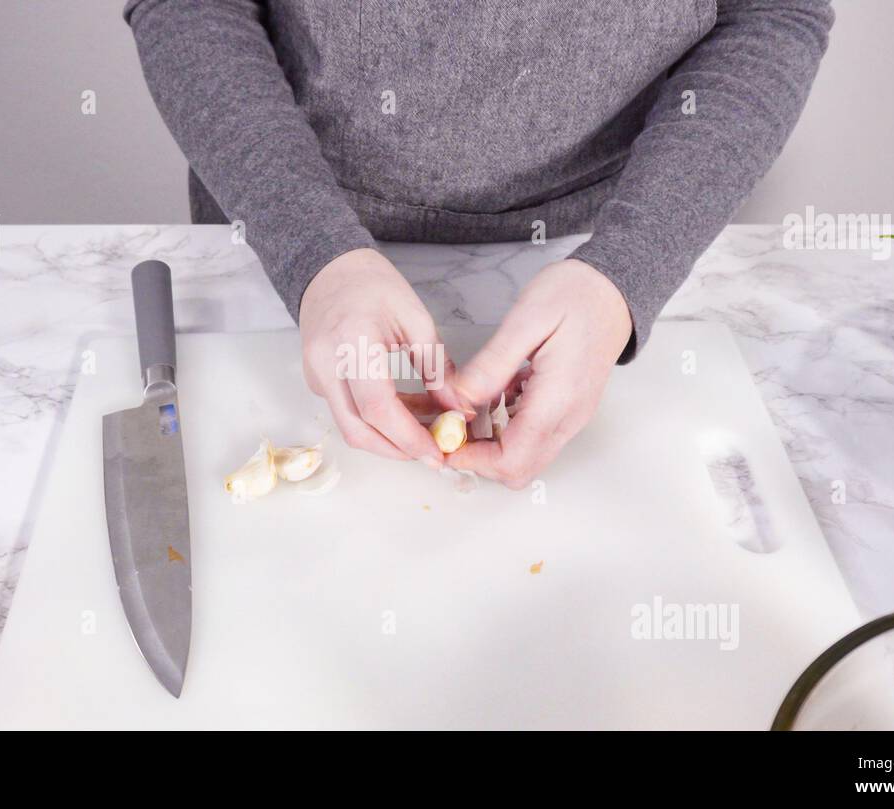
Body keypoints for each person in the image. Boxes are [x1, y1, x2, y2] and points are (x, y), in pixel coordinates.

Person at [124, 0, 834, 488]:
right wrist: (313, 254)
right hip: (282, 229)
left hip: (616, 235)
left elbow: (771, 14)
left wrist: (625, 273)